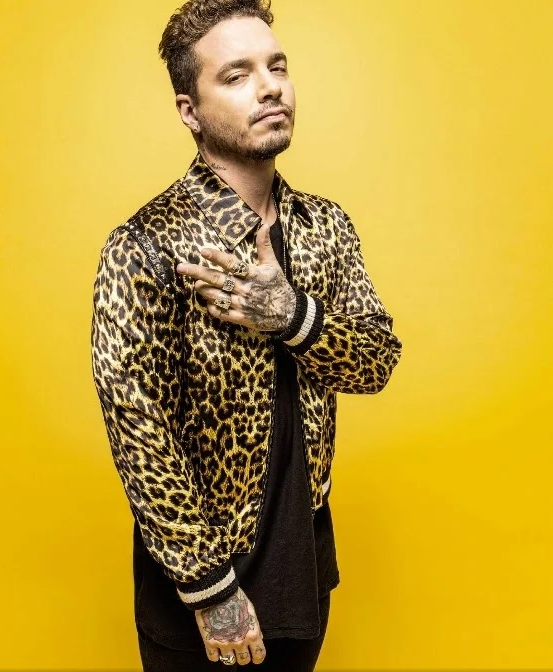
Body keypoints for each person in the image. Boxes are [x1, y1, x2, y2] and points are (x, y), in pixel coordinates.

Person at [90, 0, 403, 669]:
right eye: (236, 75)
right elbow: (138, 428)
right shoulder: (145, 244)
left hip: (304, 572)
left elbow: (375, 362)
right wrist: (210, 591)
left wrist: (293, 316)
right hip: (197, 590)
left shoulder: (325, 226)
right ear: (190, 110)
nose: (269, 88)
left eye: (276, 67)